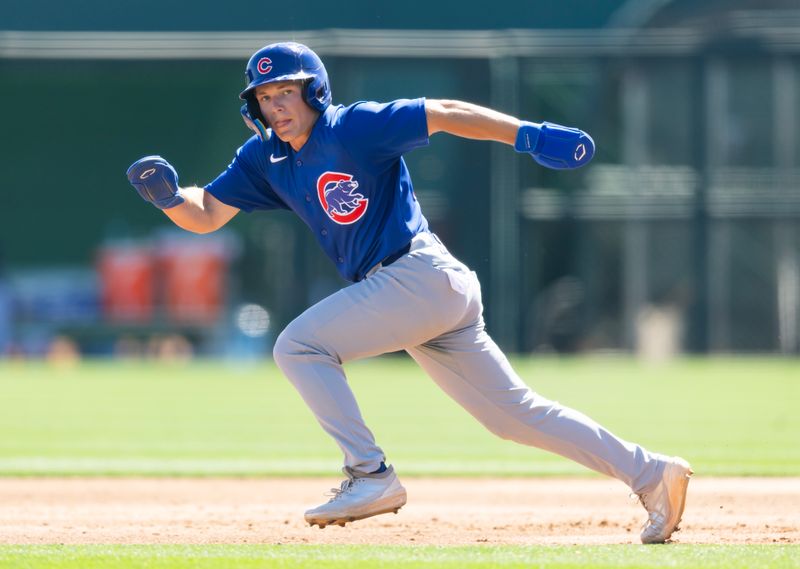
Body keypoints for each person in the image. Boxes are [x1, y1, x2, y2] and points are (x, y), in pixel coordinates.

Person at [126, 42, 692, 544]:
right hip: (418, 293)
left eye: (286, 92)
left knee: (298, 347)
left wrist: (528, 135)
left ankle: (370, 475)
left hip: (416, 274)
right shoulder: (264, 158)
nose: (276, 105)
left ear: (315, 91)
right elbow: (206, 215)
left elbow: (443, 114)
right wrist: (171, 199)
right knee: (514, 417)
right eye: (265, 97)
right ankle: (652, 474)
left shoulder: (353, 127)